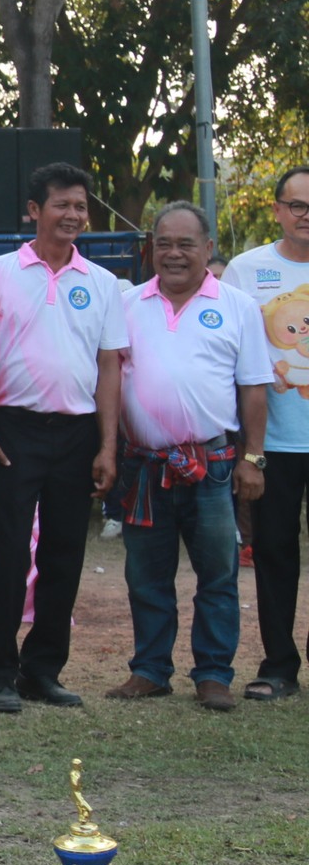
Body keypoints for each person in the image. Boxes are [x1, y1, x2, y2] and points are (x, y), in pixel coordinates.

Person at [0, 162, 128, 713]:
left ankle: (43, 670)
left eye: (81, 206)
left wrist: (107, 446)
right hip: (13, 430)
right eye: (62, 204)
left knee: (65, 554)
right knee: (9, 554)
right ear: (35, 210)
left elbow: (109, 367)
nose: (73, 215)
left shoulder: (102, 283)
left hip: (78, 433)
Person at [109, 202, 268, 711]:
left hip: (213, 466)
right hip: (144, 465)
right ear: (151, 248)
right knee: (145, 576)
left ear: (208, 248)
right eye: (164, 244)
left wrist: (254, 459)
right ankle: (150, 671)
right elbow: (107, 381)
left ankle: (214, 675)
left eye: (186, 244)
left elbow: (254, 388)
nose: (174, 254)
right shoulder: (126, 304)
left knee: (218, 576)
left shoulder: (238, 306)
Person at [222, 164, 309, 701]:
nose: (306, 215)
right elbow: (226, 351)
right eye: (297, 205)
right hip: (273, 442)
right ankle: (279, 666)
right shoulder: (246, 270)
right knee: (274, 552)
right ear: (277, 209)